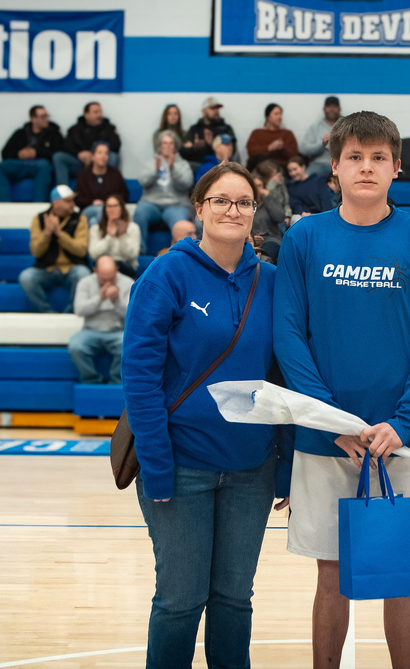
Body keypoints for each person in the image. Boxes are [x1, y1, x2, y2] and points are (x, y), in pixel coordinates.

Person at [274, 111, 410, 669]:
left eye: (378, 158)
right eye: (355, 157)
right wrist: (334, 424)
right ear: (334, 167)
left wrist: (403, 420)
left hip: (398, 439)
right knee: (330, 576)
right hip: (326, 442)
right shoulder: (304, 237)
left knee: (401, 575)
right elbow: (288, 335)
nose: (367, 167)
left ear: (397, 167)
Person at [123, 161, 288, 669]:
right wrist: (156, 466)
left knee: (235, 599)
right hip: (181, 466)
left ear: (254, 213)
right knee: (179, 601)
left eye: (243, 202)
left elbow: (284, 381)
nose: (232, 210)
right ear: (200, 209)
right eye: (220, 200)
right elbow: (140, 378)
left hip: (250, 470)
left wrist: (283, 468)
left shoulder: (274, 282)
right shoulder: (167, 273)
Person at [19, 185, 90, 313]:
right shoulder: (39, 219)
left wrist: (60, 234)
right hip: (46, 269)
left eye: (72, 200)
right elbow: (35, 251)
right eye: (68, 201)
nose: (72, 204)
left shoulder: (80, 219)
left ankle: (70, 311)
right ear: (55, 203)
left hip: (71, 268)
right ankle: (46, 311)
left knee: (83, 273)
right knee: (26, 277)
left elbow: (81, 250)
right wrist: (47, 233)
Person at [68, 256, 131, 384]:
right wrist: (99, 299)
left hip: (118, 330)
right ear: (95, 271)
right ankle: (91, 380)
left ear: (117, 270)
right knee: (76, 346)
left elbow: (132, 316)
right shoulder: (85, 283)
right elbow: (79, 310)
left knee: (128, 345)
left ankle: (116, 381)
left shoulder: (128, 283)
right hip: (90, 330)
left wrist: (116, 302)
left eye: (111, 278)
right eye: (103, 279)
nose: (108, 282)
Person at [134, 131, 193, 254]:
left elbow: (186, 184)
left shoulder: (182, 164)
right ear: (159, 146)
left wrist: (173, 169)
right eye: (164, 143)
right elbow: (143, 182)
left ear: (175, 146)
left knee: (181, 224)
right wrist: (155, 171)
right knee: (140, 212)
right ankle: (140, 253)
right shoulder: (151, 163)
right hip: (151, 202)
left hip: (176, 204)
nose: (167, 146)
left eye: (171, 143)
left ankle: (181, 254)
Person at [0, 105, 63, 203]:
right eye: (43, 116)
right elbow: (5, 153)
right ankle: (4, 205)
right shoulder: (20, 133)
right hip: (19, 164)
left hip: (40, 164)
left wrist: (36, 153)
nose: (46, 119)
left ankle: (39, 205)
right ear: (33, 119)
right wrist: (19, 153)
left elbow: (58, 154)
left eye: (47, 116)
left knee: (43, 165)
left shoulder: (54, 133)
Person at [54, 102, 121, 187]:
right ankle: (63, 193)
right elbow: (66, 146)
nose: (99, 115)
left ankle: (109, 189)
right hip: (80, 164)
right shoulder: (75, 129)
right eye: (96, 112)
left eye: (100, 112)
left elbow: (116, 145)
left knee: (113, 157)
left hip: (101, 164)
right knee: (59, 156)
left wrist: (95, 156)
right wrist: (79, 153)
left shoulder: (109, 129)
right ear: (86, 115)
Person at [75, 141, 129, 226]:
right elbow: (78, 198)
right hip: (88, 209)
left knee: (94, 221)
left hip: (110, 210)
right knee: (99, 211)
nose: (103, 156)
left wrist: (108, 203)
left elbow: (124, 195)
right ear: (93, 156)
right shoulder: (84, 175)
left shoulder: (115, 174)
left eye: (106, 153)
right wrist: (92, 202)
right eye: (99, 153)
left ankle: (98, 238)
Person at [88, 195, 141, 279]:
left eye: (115, 206)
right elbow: (94, 255)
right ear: (105, 209)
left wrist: (122, 235)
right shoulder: (96, 229)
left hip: (125, 267)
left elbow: (131, 256)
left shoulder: (133, 228)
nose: (112, 209)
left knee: (118, 265)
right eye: (109, 206)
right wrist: (109, 236)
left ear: (122, 208)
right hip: (103, 267)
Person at [184, 97, 238, 166]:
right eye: (213, 108)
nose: (216, 111)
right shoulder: (194, 129)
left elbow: (233, 150)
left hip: (220, 163)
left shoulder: (226, 129)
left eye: (217, 108)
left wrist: (213, 144)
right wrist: (194, 148)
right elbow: (183, 152)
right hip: (199, 164)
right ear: (204, 111)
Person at [247, 103, 299, 171]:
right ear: (268, 117)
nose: (280, 117)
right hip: (260, 168)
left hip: (281, 169)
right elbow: (251, 151)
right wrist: (269, 148)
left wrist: (282, 148)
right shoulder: (257, 133)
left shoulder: (287, 134)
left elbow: (294, 155)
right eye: (276, 114)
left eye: (280, 114)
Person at [299, 96, 340, 177]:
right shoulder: (315, 127)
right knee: (305, 179)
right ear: (324, 109)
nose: (331, 109)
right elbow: (303, 149)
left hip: (341, 163)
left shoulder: (346, 125)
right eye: (329, 107)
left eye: (334, 107)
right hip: (319, 164)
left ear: (339, 109)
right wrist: (322, 144)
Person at [254, 160, 292, 227]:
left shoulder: (280, 182)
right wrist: (271, 185)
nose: (277, 176)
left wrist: (288, 215)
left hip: (281, 215)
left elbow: (286, 203)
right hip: (267, 219)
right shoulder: (260, 185)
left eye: (276, 173)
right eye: (273, 175)